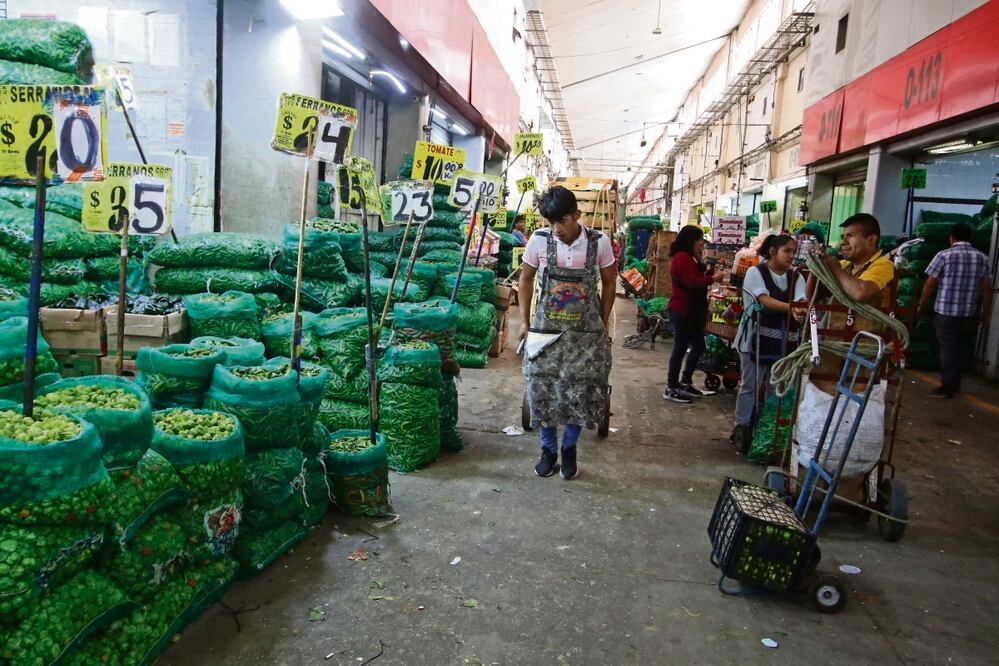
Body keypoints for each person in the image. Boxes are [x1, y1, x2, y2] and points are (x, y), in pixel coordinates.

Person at [518, 186, 617, 479]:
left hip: (585, 334)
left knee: (583, 389)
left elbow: (610, 283)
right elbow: (525, 280)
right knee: (542, 387)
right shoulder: (538, 241)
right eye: (551, 223)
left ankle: (570, 447)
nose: (557, 229)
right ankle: (548, 449)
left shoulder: (599, 243)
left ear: (577, 215)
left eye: (562, 221)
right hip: (545, 330)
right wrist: (525, 322)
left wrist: (602, 321)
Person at [730, 234, 807, 451]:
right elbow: (762, 300)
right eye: (787, 251)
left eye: (794, 251)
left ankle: (767, 431)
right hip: (755, 340)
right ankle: (742, 427)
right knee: (750, 387)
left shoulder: (796, 277)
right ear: (773, 251)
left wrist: (800, 308)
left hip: (785, 344)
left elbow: (801, 299)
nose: (792, 256)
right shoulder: (756, 272)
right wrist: (791, 308)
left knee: (776, 389)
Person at [917, 222, 993, 398]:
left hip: (946, 310)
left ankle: (947, 386)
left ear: (952, 237)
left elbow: (930, 282)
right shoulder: (982, 257)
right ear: (969, 238)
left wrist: (921, 303)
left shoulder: (944, 255)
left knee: (948, 347)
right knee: (957, 346)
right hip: (968, 311)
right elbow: (987, 288)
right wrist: (986, 312)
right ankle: (955, 382)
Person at [663, 225, 726, 403]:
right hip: (682, 310)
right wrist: (712, 279)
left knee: (699, 345)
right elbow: (691, 282)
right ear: (691, 240)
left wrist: (708, 271)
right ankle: (671, 387)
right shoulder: (681, 258)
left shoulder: (689, 257)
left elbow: (695, 276)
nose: (701, 244)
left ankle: (685, 381)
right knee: (680, 348)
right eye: (699, 240)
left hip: (691, 311)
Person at [813, 213, 896, 315]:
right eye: (842, 237)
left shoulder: (884, 265)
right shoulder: (844, 264)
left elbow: (861, 292)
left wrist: (835, 269)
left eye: (850, 236)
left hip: (868, 330)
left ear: (871, 240)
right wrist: (816, 266)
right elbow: (812, 295)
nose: (843, 242)